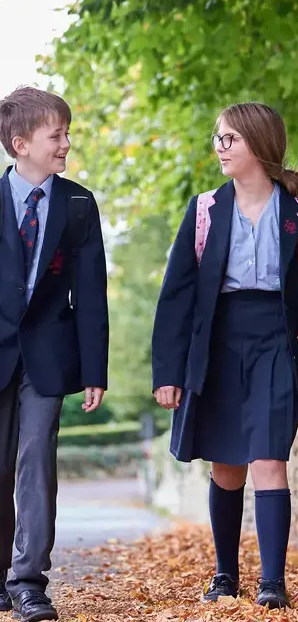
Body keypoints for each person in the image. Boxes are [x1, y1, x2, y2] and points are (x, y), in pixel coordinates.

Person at [152, 102, 298, 610]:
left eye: (230, 138)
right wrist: (169, 372)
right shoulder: (204, 212)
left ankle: (273, 583)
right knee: (227, 467)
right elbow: (177, 295)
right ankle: (225, 575)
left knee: (269, 459)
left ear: (258, 144)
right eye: (218, 138)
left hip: (276, 345)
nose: (220, 147)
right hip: (217, 343)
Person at [0, 86, 109, 622]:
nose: (67, 143)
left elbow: (90, 292)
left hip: (47, 355)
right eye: (56, 135)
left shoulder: (79, 204)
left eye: (67, 134)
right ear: (21, 143)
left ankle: (27, 582)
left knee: (36, 461)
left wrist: (94, 368)